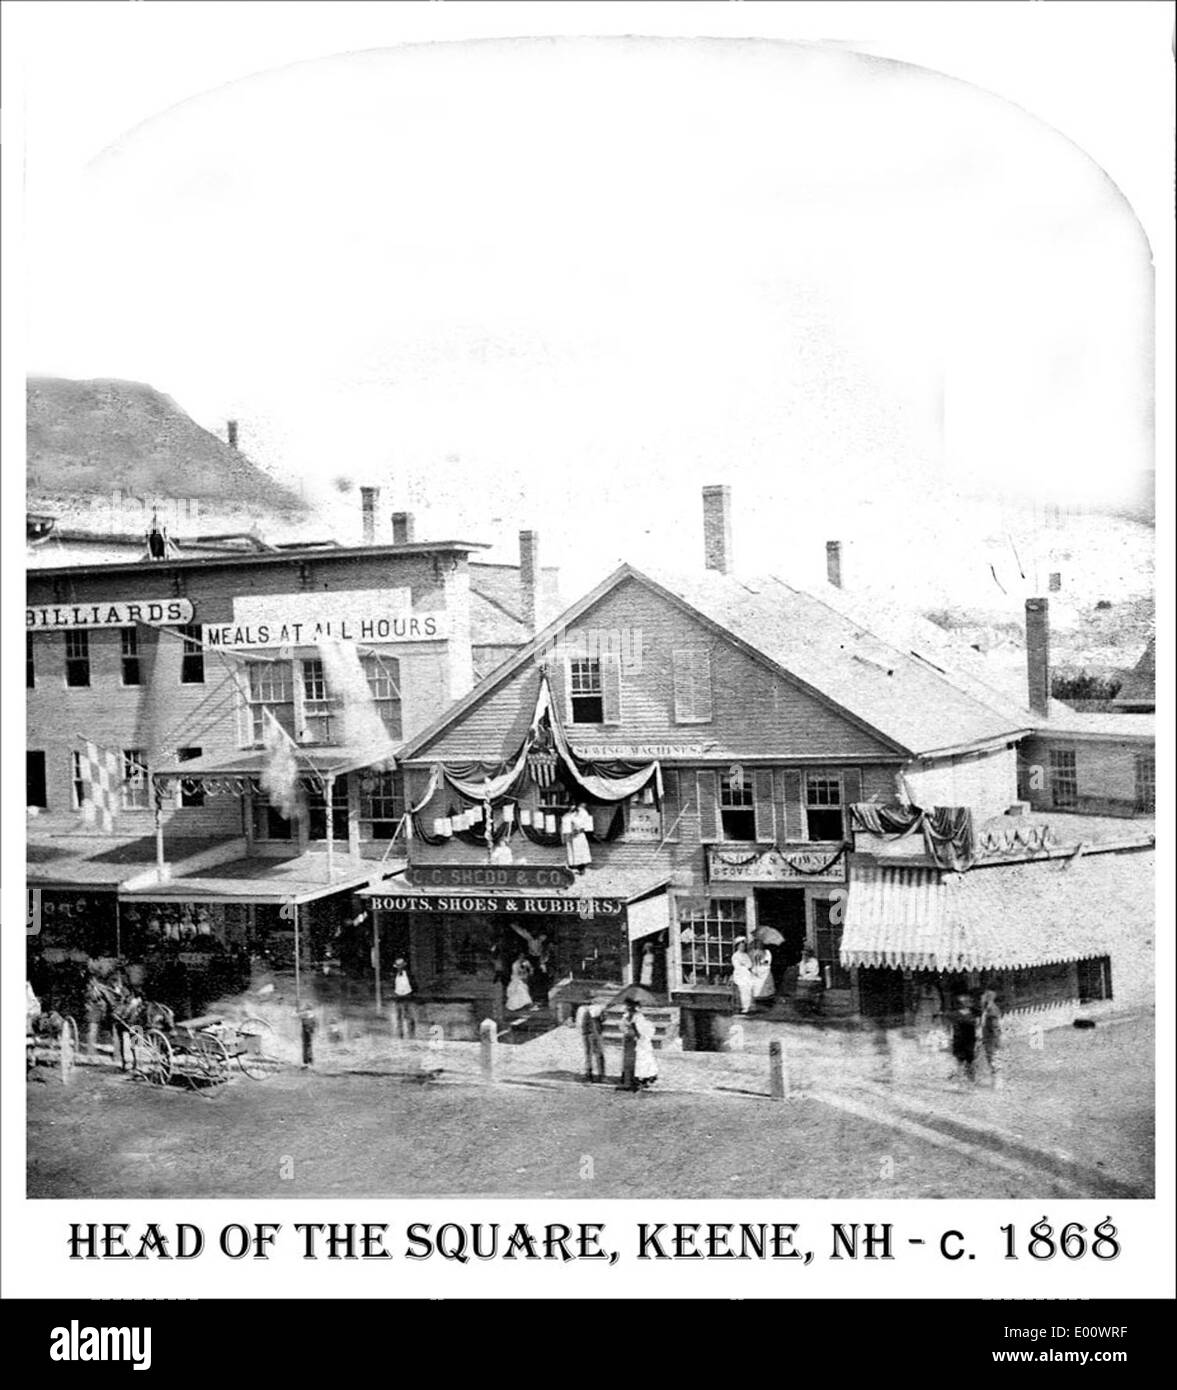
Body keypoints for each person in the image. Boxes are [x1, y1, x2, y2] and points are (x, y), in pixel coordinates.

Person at [616, 997, 658, 1092]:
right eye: (627, 1006)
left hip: (638, 1042)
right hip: (628, 1040)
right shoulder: (626, 1016)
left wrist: (635, 1029)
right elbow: (621, 1026)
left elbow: (641, 1031)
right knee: (628, 1060)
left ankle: (640, 1079)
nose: (629, 1008)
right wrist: (626, 1030)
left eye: (631, 1006)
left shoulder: (639, 1017)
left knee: (640, 1059)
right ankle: (628, 1079)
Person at [948, 993, 978, 1085]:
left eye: (968, 1001)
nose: (968, 1003)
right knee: (960, 1061)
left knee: (970, 1061)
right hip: (960, 1040)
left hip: (969, 1040)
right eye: (965, 1001)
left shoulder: (972, 1013)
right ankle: (959, 1081)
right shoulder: (956, 1014)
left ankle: (970, 1081)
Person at [978, 989, 1004, 1089]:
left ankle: (998, 1082)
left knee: (994, 1059)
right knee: (990, 1059)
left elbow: (995, 1027)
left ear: (987, 998)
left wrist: (996, 1040)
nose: (981, 999)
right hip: (988, 1038)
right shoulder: (987, 1009)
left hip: (992, 1039)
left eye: (983, 996)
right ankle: (995, 1081)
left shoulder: (992, 1010)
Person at [577, 1002, 606, 1083]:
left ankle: (592, 1074)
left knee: (590, 1054)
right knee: (596, 1054)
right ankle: (599, 1074)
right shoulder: (597, 1009)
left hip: (590, 1032)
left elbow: (581, 1024)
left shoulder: (584, 1010)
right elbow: (603, 1019)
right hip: (592, 1032)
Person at [562, 803, 593, 873]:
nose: (571, 807)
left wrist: (578, 830)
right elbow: (565, 826)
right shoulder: (567, 815)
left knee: (580, 851)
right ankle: (572, 866)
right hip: (570, 836)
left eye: (573, 806)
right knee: (571, 851)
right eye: (570, 806)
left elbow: (586, 826)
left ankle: (581, 868)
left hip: (579, 835)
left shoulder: (581, 814)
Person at [730, 938, 755, 1014]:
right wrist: (744, 965)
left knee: (748, 991)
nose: (742, 947)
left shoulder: (745, 955)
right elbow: (737, 966)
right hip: (740, 975)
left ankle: (748, 1006)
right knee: (742, 991)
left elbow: (750, 964)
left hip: (747, 975)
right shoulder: (735, 956)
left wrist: (744, 965)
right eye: (741, 946)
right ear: (737, 946)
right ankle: (743, 1007)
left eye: (743, 946)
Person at [391, 957, 414, 1039]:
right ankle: (400, 1035)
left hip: (407, 997)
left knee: (409, 1016)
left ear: (403, 967)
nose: (399, 968)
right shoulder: (395, 976)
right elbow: (394, 986)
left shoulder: (408, 975)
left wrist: (411, 994)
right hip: (398, 997)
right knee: (398, 1017)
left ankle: (411, 1034)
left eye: (400, 967)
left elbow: (413, 985)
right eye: (398, 967)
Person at [796, 946, 822, 1017]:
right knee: (803, 990)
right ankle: (805, 1009)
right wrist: (804, 965)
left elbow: (815, 972)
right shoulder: (802, 962)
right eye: (803, 955)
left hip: (813, 979)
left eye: (806, 954)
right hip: (805, 979)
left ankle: (815, 1008)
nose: (804, 956)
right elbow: (801, 972)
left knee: (814, 989)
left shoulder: (814, 961)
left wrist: (807, 975)